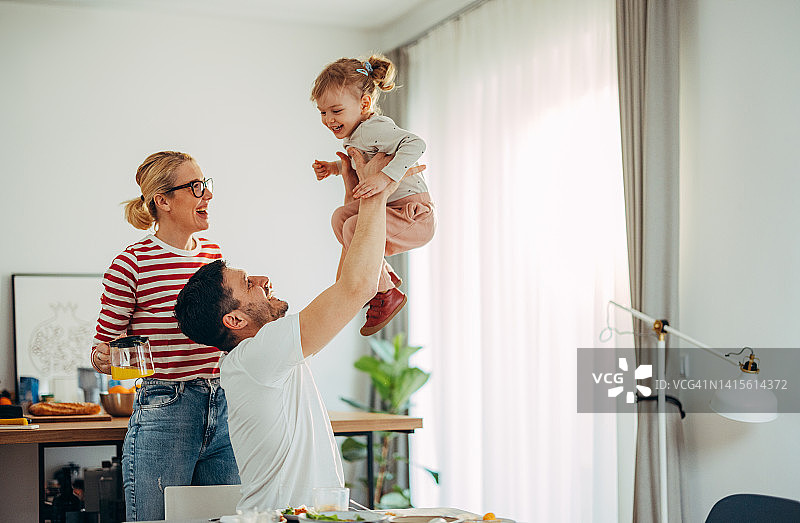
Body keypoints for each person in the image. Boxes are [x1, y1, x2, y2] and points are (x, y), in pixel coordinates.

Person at [174, 151, 424, 511]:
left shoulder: (258, 357)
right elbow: (357, 288)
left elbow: (346, 286)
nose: (262, 280)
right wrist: (379, 191)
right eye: (248, 284)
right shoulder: (255, 356)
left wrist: (355, 197)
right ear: (235, 321)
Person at [89, 151, 242, 521]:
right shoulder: (132, 263)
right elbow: (102, 349)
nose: (207, 194)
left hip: (223, 404)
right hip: (165, 408)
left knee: (229, 518)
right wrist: (110, 360)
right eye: (195, 187)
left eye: (206, 184)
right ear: (163, 201)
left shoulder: (214, 257)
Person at [311, 54, 436, 336]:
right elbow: (363, 161)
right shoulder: (360, 133)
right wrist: (334, 168)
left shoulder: (373, 129)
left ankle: (387, 292)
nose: (328, 120)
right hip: (394, 211)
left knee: (352, 226)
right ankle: (384, 276)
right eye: (322, 112)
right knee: (340, 218)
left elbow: (416, 143)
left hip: (414, 214)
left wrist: (384, 177)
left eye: (335, 110)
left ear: (364, 104)